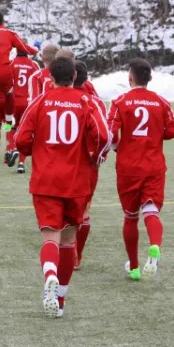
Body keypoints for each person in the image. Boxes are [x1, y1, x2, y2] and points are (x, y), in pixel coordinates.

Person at [15, 57, 109, 318]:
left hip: (45, 181)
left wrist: (30, 151)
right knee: (68, 241)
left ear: (50, 77)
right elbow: (103, 135)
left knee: (49, 236)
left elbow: (21, 137)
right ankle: (61, 299)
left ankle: (49, 275)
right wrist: (96, 156)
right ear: (75, 75)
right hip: (76, 182)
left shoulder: (41, 101)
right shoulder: (86, 102)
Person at [107, 58, 174, 281]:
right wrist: (155, 135)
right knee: (151, 211)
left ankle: (135, 268)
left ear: (130, 78)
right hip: (154, 166)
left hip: (128, 168)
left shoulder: (119, 101)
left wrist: (118, 147)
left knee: (130, 217)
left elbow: (111, 134)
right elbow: (173, 131)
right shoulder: (161, 102)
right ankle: (155, 246)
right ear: (149, 79)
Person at [74, 60, 107, 270]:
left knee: (64, 209)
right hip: (88, 163)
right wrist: (98, 156)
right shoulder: (97, 103)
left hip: (62, 163)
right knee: (84, 209)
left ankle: (62, 251)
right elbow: (105, 134)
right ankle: (77, 255)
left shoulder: (52, 98)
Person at [7, 50, 40, 172]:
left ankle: (11, 148)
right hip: (28, 102)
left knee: (12, 127)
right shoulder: (34, 65)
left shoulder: (11, 63)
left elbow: (7, 83)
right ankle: (21, 163)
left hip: (14, 101)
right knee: (26, 131)